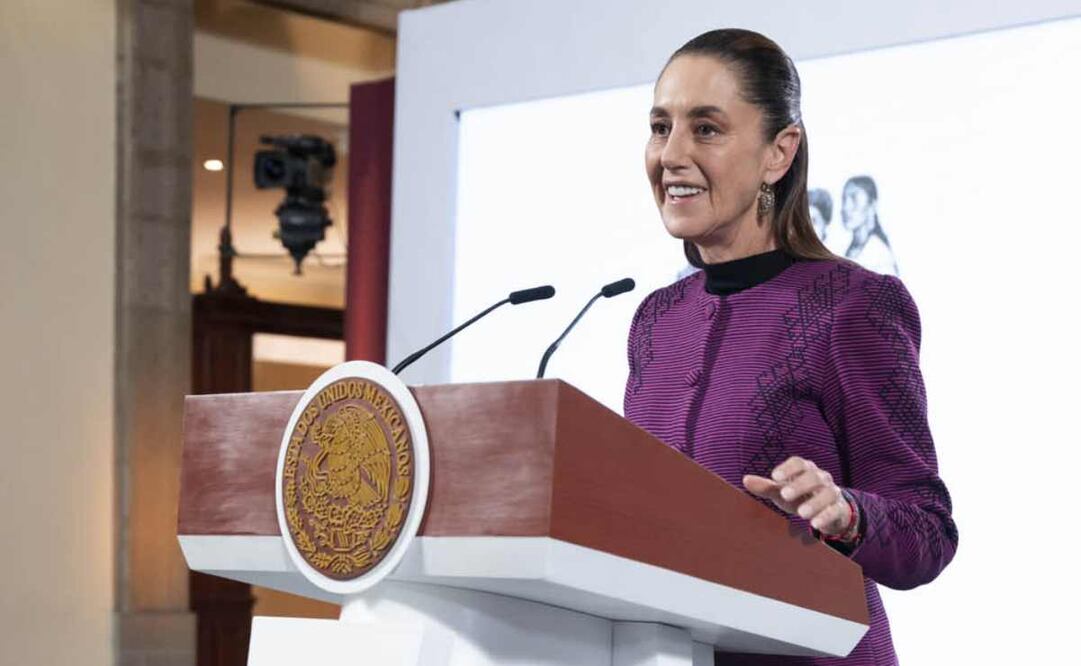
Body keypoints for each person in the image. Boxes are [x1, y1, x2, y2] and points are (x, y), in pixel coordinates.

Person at [626, 28, 957, 665]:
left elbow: (928, 532)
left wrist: (847, 513)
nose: (671, 153)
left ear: (780, 153)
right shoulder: (654, 320)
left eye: (707, 129)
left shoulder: (851, 304)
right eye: (660, 126)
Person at [841, 175, 899, 276]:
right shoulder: (848, 250)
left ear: (872, 205)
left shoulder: (879, 255)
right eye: (844, 200)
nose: (846, 208)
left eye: (854, 200)